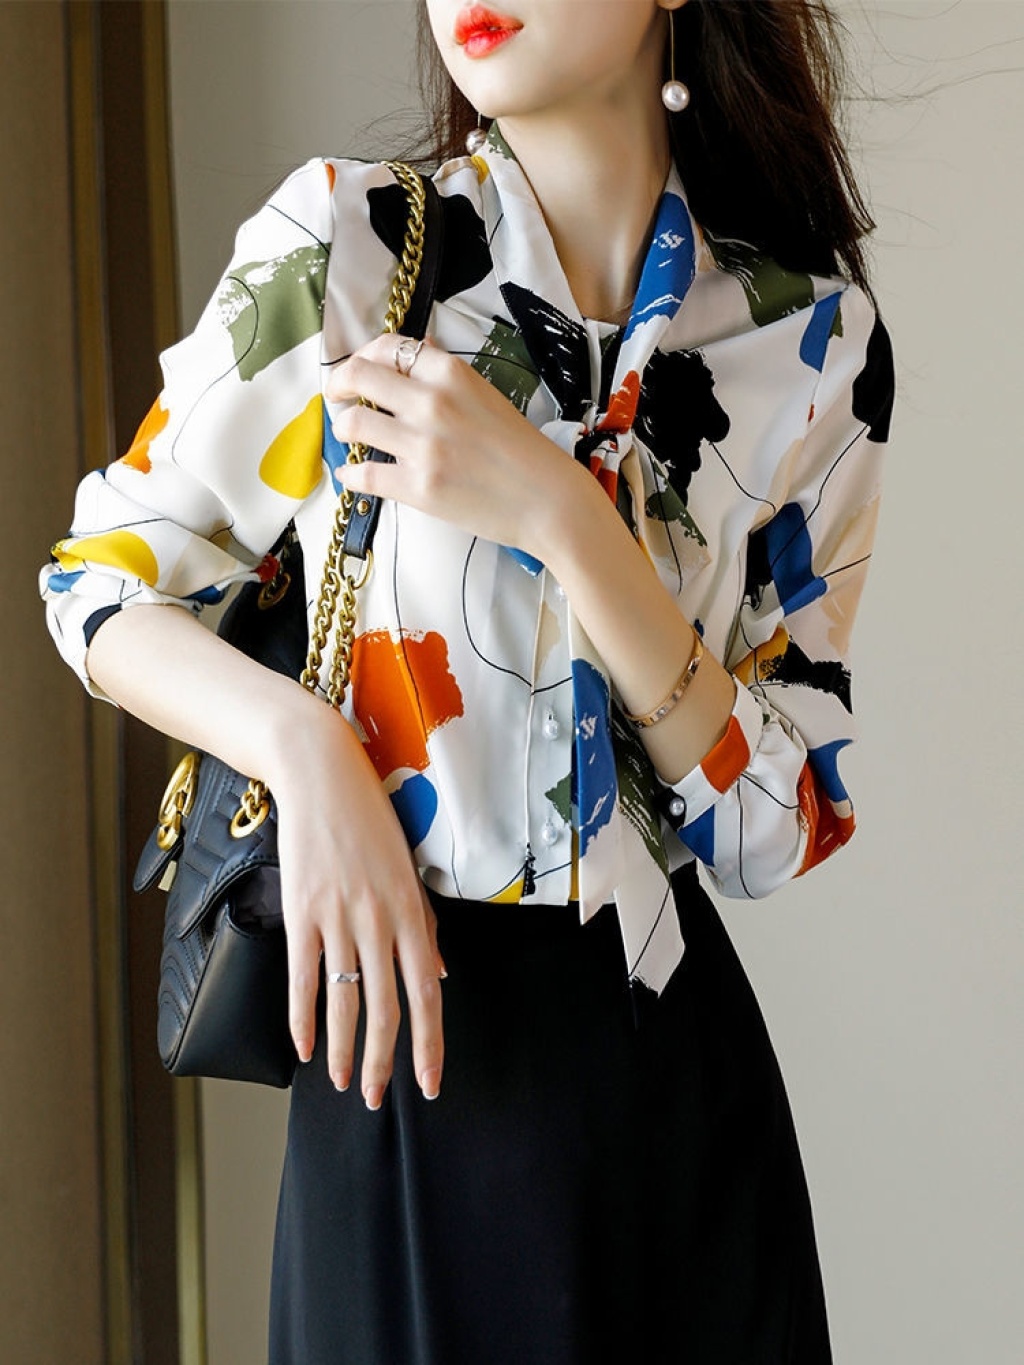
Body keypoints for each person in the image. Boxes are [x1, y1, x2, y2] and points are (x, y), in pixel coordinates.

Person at [41, 1, 895, 1360]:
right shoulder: (349, 243)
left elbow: (777, 825)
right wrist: (307, 754)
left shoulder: (813, 343)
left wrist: (565, 517)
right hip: (406, 1078)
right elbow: (96, 584)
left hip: (675, 1100)